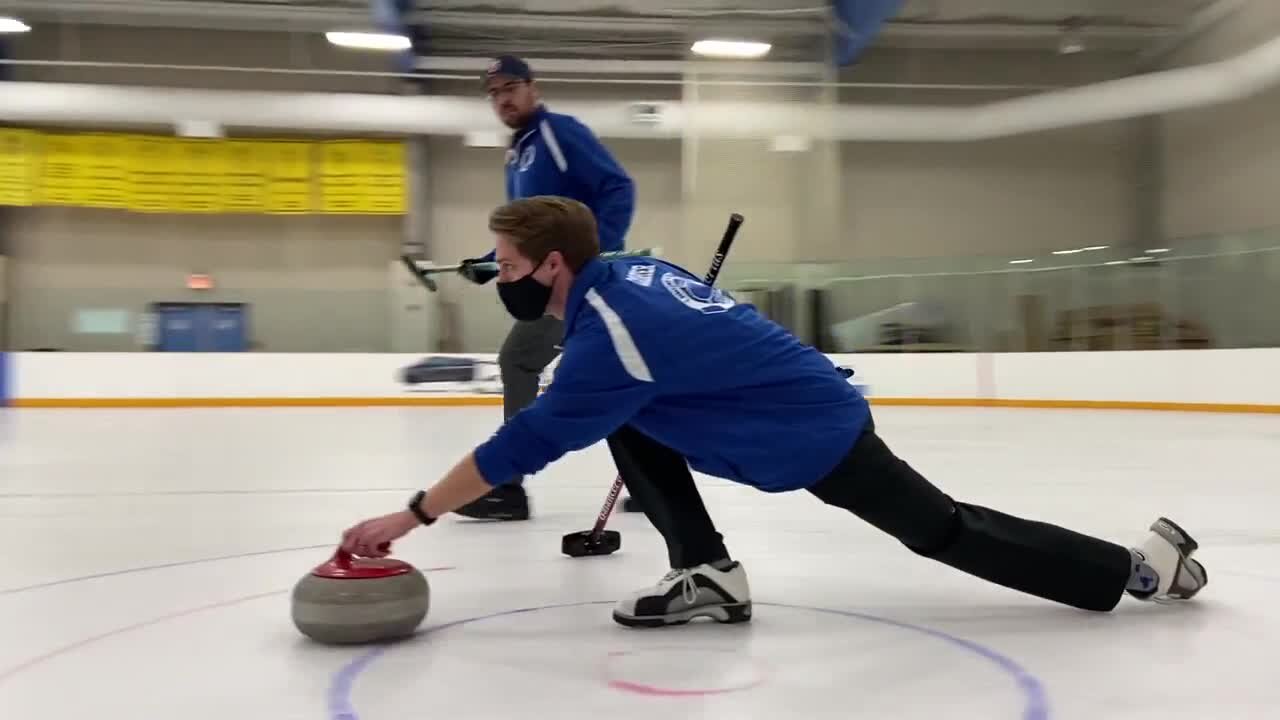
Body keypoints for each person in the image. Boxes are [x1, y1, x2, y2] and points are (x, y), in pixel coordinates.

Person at [342, 196, 1209, 628]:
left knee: (940, 530)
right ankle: (707, 574)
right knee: (629, 418)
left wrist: (412, 514)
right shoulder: (630, 273)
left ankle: (1138, 569)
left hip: (814, 431)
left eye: (506, 266)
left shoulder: (612, 335)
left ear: (554, 265)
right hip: (791, 403)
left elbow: (523, 443)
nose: (501, 280)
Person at [453, 55, 636, 522]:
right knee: (625, 376)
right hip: (554, 282)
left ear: (532, 87)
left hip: (574, 283)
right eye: (493, 93)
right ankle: (652, 479)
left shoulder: (558, 133)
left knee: (517, 359)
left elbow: (618, 188)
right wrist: (492, 263)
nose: (502, 99)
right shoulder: (520, 150)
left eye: (509, 87)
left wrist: (595, 254)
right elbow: (529, 232)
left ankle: (507, 487)